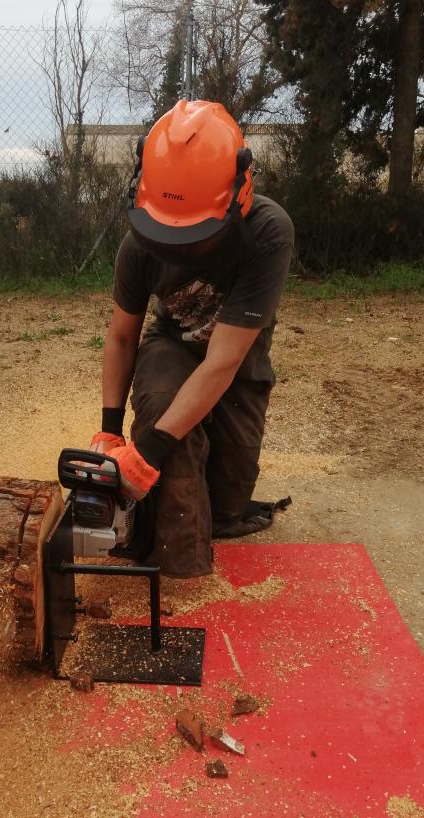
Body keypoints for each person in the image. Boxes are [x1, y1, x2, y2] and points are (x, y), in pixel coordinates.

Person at [90, 99, 294, 578]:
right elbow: (122, 339)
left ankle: (204, 491)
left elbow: (222, 362)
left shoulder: (268, 234)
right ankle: (178, 569)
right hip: (173, 342)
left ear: (239, 195)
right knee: (165, 412)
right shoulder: (136, 248)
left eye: (196, 235)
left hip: (236, 357)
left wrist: (150, 453)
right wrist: (111, 429)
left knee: (225, 507)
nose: (181, 246)